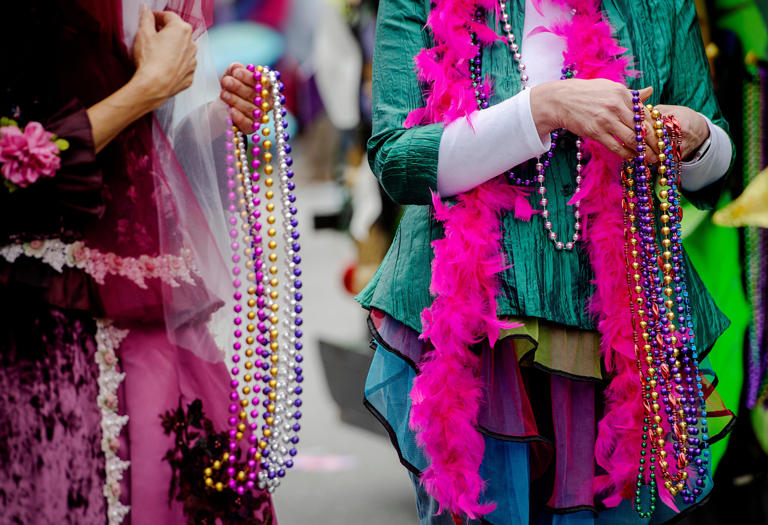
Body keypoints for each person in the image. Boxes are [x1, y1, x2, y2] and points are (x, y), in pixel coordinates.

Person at [358, 0, 735, 523]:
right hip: (475, 329)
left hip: (620, 331)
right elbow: (398, 161)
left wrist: (694, 140)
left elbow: (715, 170)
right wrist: (543, 108)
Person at [0, 1, 271, 523]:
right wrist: (145, 87)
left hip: (150, 318)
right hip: (39, 320)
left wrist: (222, 119)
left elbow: (145, 161)